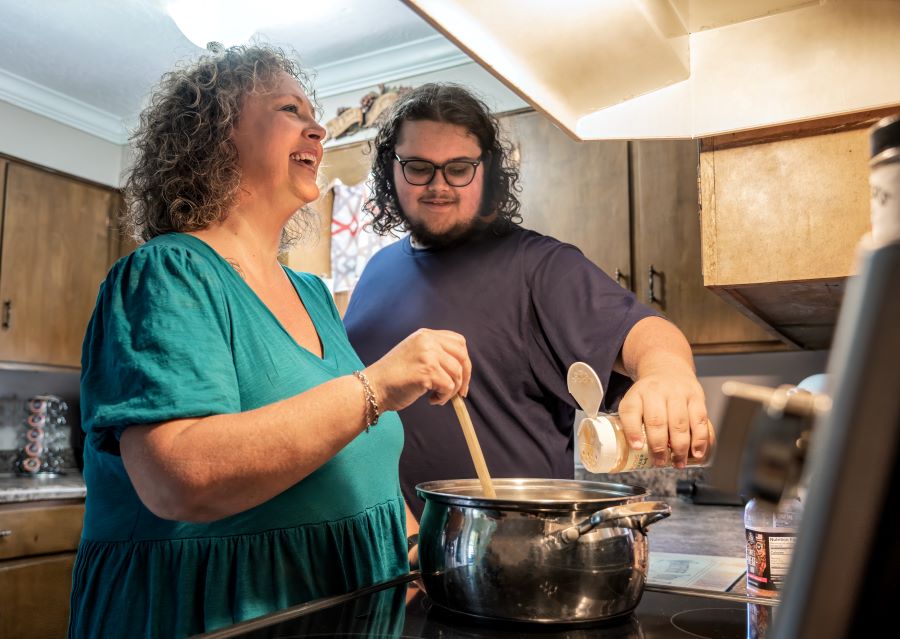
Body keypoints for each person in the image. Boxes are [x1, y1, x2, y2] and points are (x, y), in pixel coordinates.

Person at [69, 47, 471, 639]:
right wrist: (379, 385)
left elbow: (358, 467)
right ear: (214, 136)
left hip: (344, 609)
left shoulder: (313, 295)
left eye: (315, 114)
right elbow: (178, 477)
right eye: (290, 109)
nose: (318, 127)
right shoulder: (167, 273)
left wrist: (420, 550)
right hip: (211, 616)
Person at [343, 83, 712, 520]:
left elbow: (646, 333)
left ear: (488, 172)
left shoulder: (540, 266)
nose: (438, 185)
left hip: (504, 554)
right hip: (388, 555)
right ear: (391, 171)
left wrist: (667, 373)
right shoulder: (375, 272)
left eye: (459, 168)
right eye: (419, 167)